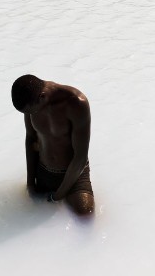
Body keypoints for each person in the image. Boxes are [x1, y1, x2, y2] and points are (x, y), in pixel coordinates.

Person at [11, 74, 94, 215]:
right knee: (29, 212)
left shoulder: (76, 103)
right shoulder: (30, 103)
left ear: (42, 97)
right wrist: (30, 184)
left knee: (86, 215)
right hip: (43, 173)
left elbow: (80, 156)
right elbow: (31, 139)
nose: (30, 115)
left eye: (31, 111)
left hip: (75, 176)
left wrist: (58, 196)